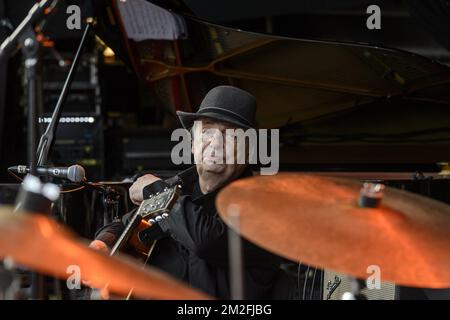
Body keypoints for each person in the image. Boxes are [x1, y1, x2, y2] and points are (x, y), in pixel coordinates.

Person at [89, 85, 282, 299]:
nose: (215, 144)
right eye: (207, 131)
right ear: (192, 142)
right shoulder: (179, 186)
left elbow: (205, 240)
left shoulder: (265, 209)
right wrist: (104, 242)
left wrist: (155, 191)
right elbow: (127, 223)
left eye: (230, 136)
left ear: (249, 150)